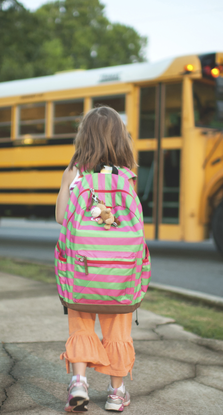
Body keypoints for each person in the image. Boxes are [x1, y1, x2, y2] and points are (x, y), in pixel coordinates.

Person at [55, 106, 138, 412]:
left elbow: (62, 218)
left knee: (81, 326)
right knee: (118, 330)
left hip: (82, 269)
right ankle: (116, 394)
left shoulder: (75, 172)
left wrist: (69, 184)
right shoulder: (127, 177)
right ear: (120, 139)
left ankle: (78, 384)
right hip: (119, 273)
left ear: (84, 136)